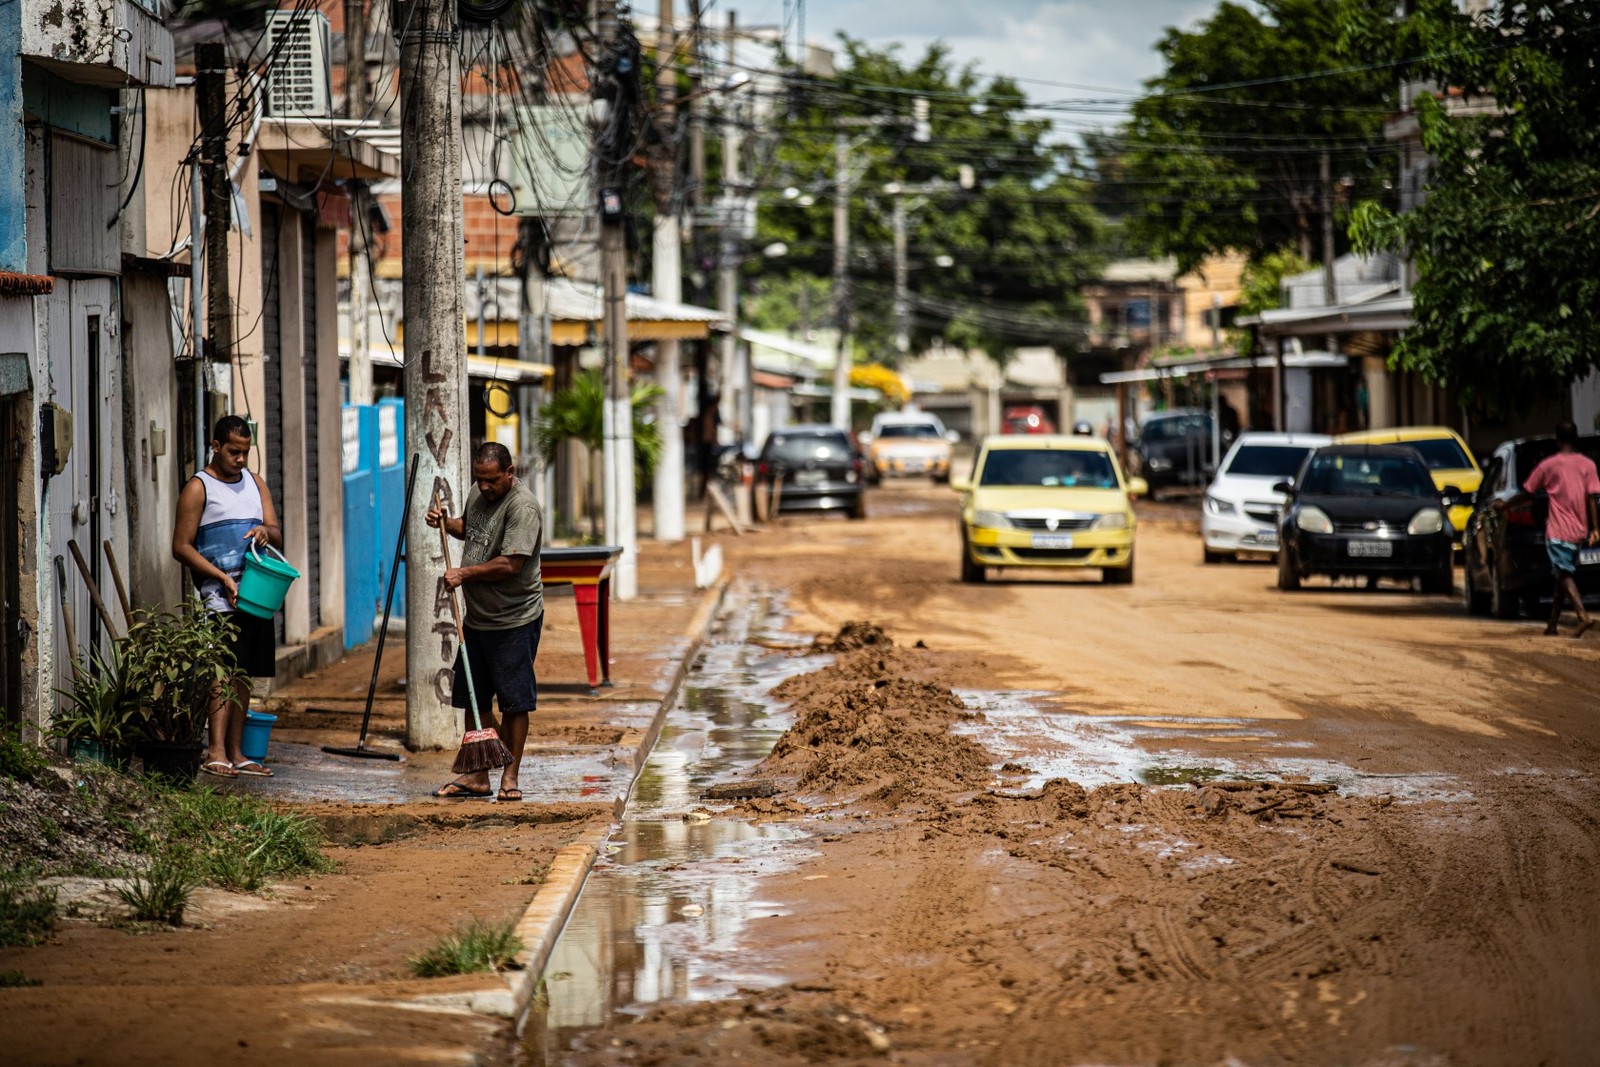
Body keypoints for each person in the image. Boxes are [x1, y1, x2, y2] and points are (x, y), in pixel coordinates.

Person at [426, 442, 544, 800]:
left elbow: (511, 564)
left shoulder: (523, 508)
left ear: (510, 473)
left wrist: (464, 574)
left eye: (492, 480)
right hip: (477, 619)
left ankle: (510, 776)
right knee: (472, 698)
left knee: (514, 702)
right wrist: (447, 523)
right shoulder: (480, 493)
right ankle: (477, 775)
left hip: (514, 619)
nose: (485, 487)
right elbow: (473, 531)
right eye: (480, 479)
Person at [171, 415, 282, 778]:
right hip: (220, 598)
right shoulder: (199, 488)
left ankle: (237, 752)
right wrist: (220, 577)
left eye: (246, 452)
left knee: (245, 674)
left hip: (256, 596)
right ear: (216, 446)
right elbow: (181, 547)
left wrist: (266, 532)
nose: (241, 459)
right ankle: (215, 750)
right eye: (234, 451)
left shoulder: (255, 482)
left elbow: (277, 532)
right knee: (222, 674)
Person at [1502, 420, 1600, 637]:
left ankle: (1582, 616)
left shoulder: (1548, 465)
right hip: (1579, 532)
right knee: (1560, 575)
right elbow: (1593, 497)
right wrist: (1595, 529)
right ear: (1576, 438)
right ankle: (1553, 624)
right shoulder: (1588, 465)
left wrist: (1505, 505)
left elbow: (1527, 492)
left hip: (1557, 531)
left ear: (1557, 439)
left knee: (1563, 573)